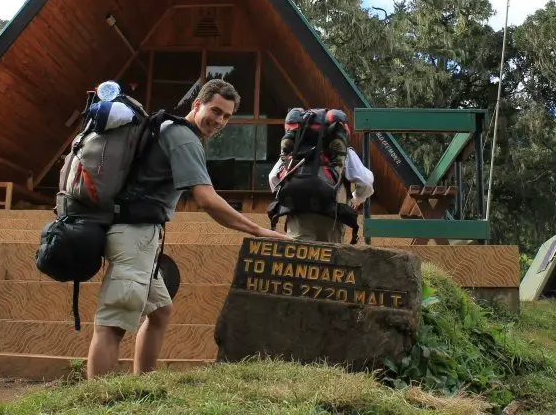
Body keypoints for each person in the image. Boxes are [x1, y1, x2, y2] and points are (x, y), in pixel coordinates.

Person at [86, 79, 286, 378]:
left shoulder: (173, 130)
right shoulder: (183, 136)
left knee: (159, 312)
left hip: (142, 235)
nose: (218, 121)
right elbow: (206, 198)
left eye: (226, 116)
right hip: (133, 235)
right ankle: (95, 404)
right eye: (215, 110)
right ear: (197, 104)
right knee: (112, 324)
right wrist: (259, 231)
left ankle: (145, 385)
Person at [267, 108, 375, 243]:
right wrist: (356, 200)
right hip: (331, 217)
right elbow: (366, 182)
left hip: (297, 217)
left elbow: (273, 178)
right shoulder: (344, 153)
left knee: (298, 259)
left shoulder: (294, 153)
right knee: (328, 259)